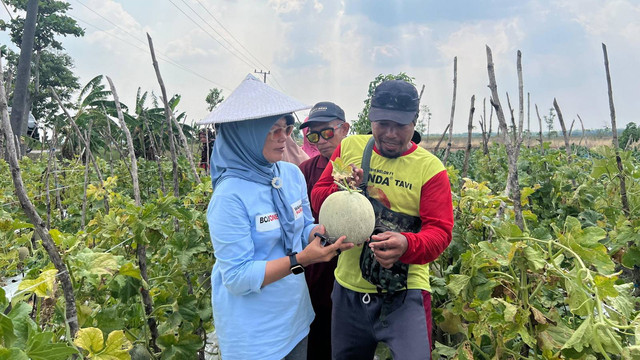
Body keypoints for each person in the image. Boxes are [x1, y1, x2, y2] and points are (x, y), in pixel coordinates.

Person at [201, 74, 353, 360]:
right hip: (254, 335)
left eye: (286, 128)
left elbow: (304, 225)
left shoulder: (290, 174)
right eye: (272, 130)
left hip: (295, 319)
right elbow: (236, 278)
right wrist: (302, 260)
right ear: (245, 135)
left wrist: (323, 233)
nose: (284, 138)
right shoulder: (229, 197)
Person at [311, 80, 453, 360]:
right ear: (371, 118)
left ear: (414, 122)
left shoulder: (430, 169)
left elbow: (440, 232)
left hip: (405, 294)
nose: (389, 133)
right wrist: (341, 186)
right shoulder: (350, 147)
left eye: (400, 125)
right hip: (348, 291)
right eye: (382, 123)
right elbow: (318, 196)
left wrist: (406, 244)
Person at [297, 102, 350, 360]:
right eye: (314, 136)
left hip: (356, 274)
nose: (321, 141)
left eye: (327, 133)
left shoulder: (365, 170)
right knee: (319, 341)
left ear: (345, 129)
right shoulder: (304, 172)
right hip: (318, 275)